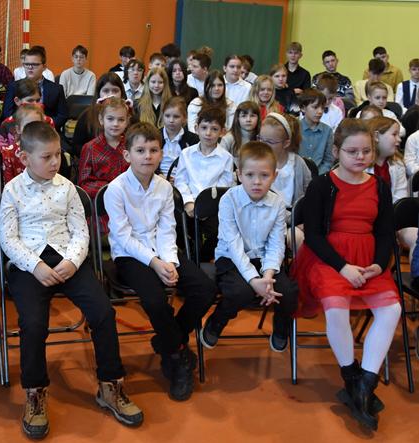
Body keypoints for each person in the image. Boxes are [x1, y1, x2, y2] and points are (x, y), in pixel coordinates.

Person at [0, 121, 143, 439]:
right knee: (33, 323)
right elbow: (8, 239)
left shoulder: (67, 188)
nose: (55, 162)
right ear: (24, 158)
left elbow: (81, 231)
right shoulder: (11, 190)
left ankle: (110, 385)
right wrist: (35, 266)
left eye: (58, 155)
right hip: (30, 265)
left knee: (103, 312)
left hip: (67, 259)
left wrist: (72, 261)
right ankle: (35, 392)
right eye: (46, 157)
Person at [292, 118, 401, 431]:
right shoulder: (322, 185)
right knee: (336, 306)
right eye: (352, 151)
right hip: (327, 259)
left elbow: (385, 233)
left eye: (366, 151)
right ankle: (351, 374)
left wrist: (379, 264)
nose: (360, 157)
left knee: (392, 309)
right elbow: (313, 235)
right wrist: (343, 267)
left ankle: (364, 382)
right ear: (336, 151)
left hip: (368, 260)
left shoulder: (379, 186)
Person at [105, 121, 217, 400]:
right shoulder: (116, 189)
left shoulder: (165, 188)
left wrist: (170, 262)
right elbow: (123, 237)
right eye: (140, 150)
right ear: (127, 155)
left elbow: (168, 229)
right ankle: (177, 355)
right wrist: (155, 263)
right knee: (154, 300)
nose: (148, 156)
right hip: (130, 255)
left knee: (205, 289)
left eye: (153, 150)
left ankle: (168, 340)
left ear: (161, 153)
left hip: (164, 250)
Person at [200, 142, 298, 352]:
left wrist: (268, 276)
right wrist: (254, 281)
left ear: (274, 176)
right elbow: (233, 245)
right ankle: (216, 321)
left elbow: (276, 243)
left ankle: (281, 329)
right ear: (239, 174)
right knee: (240, 292)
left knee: (288, 292)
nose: (257, 182)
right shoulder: (228, 200)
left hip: (263, 259)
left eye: (264, 175)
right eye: (250, 175)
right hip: (231, 259)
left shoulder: (277, 203)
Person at [366, 117, 416, 263]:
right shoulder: (362, 164)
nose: (399, 139)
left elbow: (399, 199)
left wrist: (389, 223)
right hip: (366, 221)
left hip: (392, 221)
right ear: (376, 136)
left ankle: (416, 274)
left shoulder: (397, 164)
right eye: (394, 134)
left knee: (416, 236)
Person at [175, 106, 235, 218]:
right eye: (204, 127)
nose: (208, 133)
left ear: (222, 132)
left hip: (214, 209)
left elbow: (223, 187)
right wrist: (188, 202)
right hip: (187, 206)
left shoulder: (226, 158)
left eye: (214, 129)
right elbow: (180, 181)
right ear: (196, 128)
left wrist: (208, 206)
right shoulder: (186, 154)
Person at [262, 113, 311, 247]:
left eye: (270, 142)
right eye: (261, 139)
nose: (263, 145)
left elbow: (310, 195)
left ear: (286, 143)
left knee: (297, 237)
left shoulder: (298, 164)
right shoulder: (258, 162)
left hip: (293, 219)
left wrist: (305, 222)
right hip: (265, 217)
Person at [2, 46, 68, 131]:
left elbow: (62, 115)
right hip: (20, 130)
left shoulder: (57, 89)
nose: (30, 67)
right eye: (27, 64)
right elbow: (7, 113)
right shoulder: (13, 86)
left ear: (44, 67)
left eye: (35, 64)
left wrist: (45, 125)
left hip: (48, 131)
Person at [78, 97, 130, 198]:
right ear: (101, 119)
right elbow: (84, 183)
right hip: (100, 200)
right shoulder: (90, 148)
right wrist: (109, 188)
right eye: (110, 119)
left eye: (121, 120)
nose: (115, 124)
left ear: (127, 121)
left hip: (129, 198)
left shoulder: (131, 146)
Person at [72, 73, 128, 156]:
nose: (110, 95)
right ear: (99, 93)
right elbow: (77, 146)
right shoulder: (87, 115)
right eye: (106, 91)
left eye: (115, 91)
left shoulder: (130, 114)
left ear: (121, 93)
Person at [0, 104, 45, 184]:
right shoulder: (9, 153)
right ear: (18, 129)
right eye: (28, 126)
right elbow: (9, 185)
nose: (33, 130)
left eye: (37, 125)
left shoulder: (48, 150)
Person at [158, 96, 199, 178]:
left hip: (184, 179)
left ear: (184, 118)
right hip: (158, 178)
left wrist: (181, 178)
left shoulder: (193, 139)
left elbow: (195, 165)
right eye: (167, 116)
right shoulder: (155, 136)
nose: (171, 120)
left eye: (176, 116)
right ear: (162, 116)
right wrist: (158, 175)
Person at [299, 89, 334, 175]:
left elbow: (328, 161)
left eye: (322, 108)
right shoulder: (295, 128)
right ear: (303, 108)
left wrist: (317, 175)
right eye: (315, 107)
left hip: (318, 176)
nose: (320, 111)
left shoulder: (328, 131)